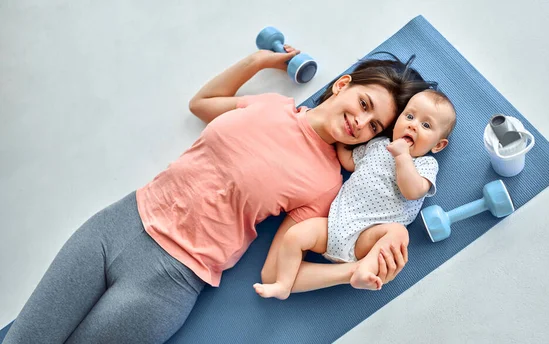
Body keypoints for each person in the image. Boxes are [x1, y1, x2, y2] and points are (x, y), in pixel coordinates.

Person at [4, 46, 426, 344]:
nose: (362, 123)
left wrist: (349, 274)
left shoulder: (325, 182)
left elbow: (277, 276)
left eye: (374, 127)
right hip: (116, 227)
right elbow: (201, 103)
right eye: (365, 104)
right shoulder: (271, 105)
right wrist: (260, 61)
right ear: (343, 85)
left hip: (169, 281)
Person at [254, 89, 456, 300]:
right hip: (334, 224)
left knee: (398, 233)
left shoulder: (424, 164)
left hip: (367, 237)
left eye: (426, 125)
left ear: (438, 145)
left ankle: (363, 270)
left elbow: (413, 191)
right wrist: (340, 142)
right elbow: (351, 162)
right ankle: (283, 285)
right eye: (409, 116)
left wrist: (403, 157)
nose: (413, 125)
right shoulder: (378, 145)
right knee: (294, 236)